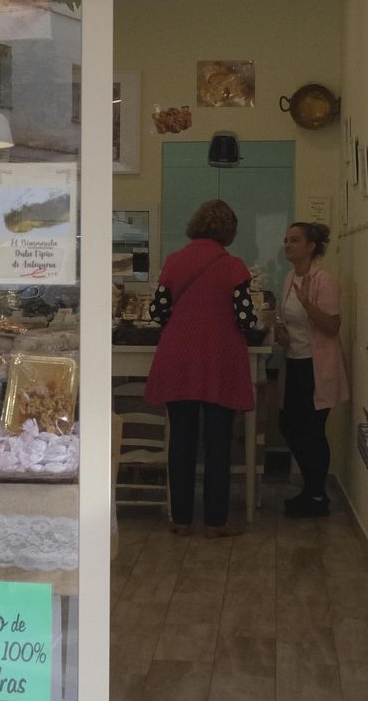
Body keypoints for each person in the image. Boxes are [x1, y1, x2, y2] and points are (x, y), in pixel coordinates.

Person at [144, 200, 260, 538]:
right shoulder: (234, 266)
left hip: (179, 357)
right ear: (229, 231)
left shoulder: (174, 262)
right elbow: (245, 318)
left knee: (181, 439)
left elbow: (159, 311)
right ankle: (215, 520)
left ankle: (180, 519)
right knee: (217, 443)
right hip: (219, 359)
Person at [274, 221, 348, 518]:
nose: (288, 245)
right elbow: (286, 319)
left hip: (316, 367)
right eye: (286, 240)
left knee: (313, 431)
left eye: (294, 240)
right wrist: (281, 331)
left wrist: (308, 305)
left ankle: (316, 495)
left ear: (311, 246)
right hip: (294, 361)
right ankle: (310, 487)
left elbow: (332, 326)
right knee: (289, 426)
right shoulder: (290, 277)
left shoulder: (323, 280)